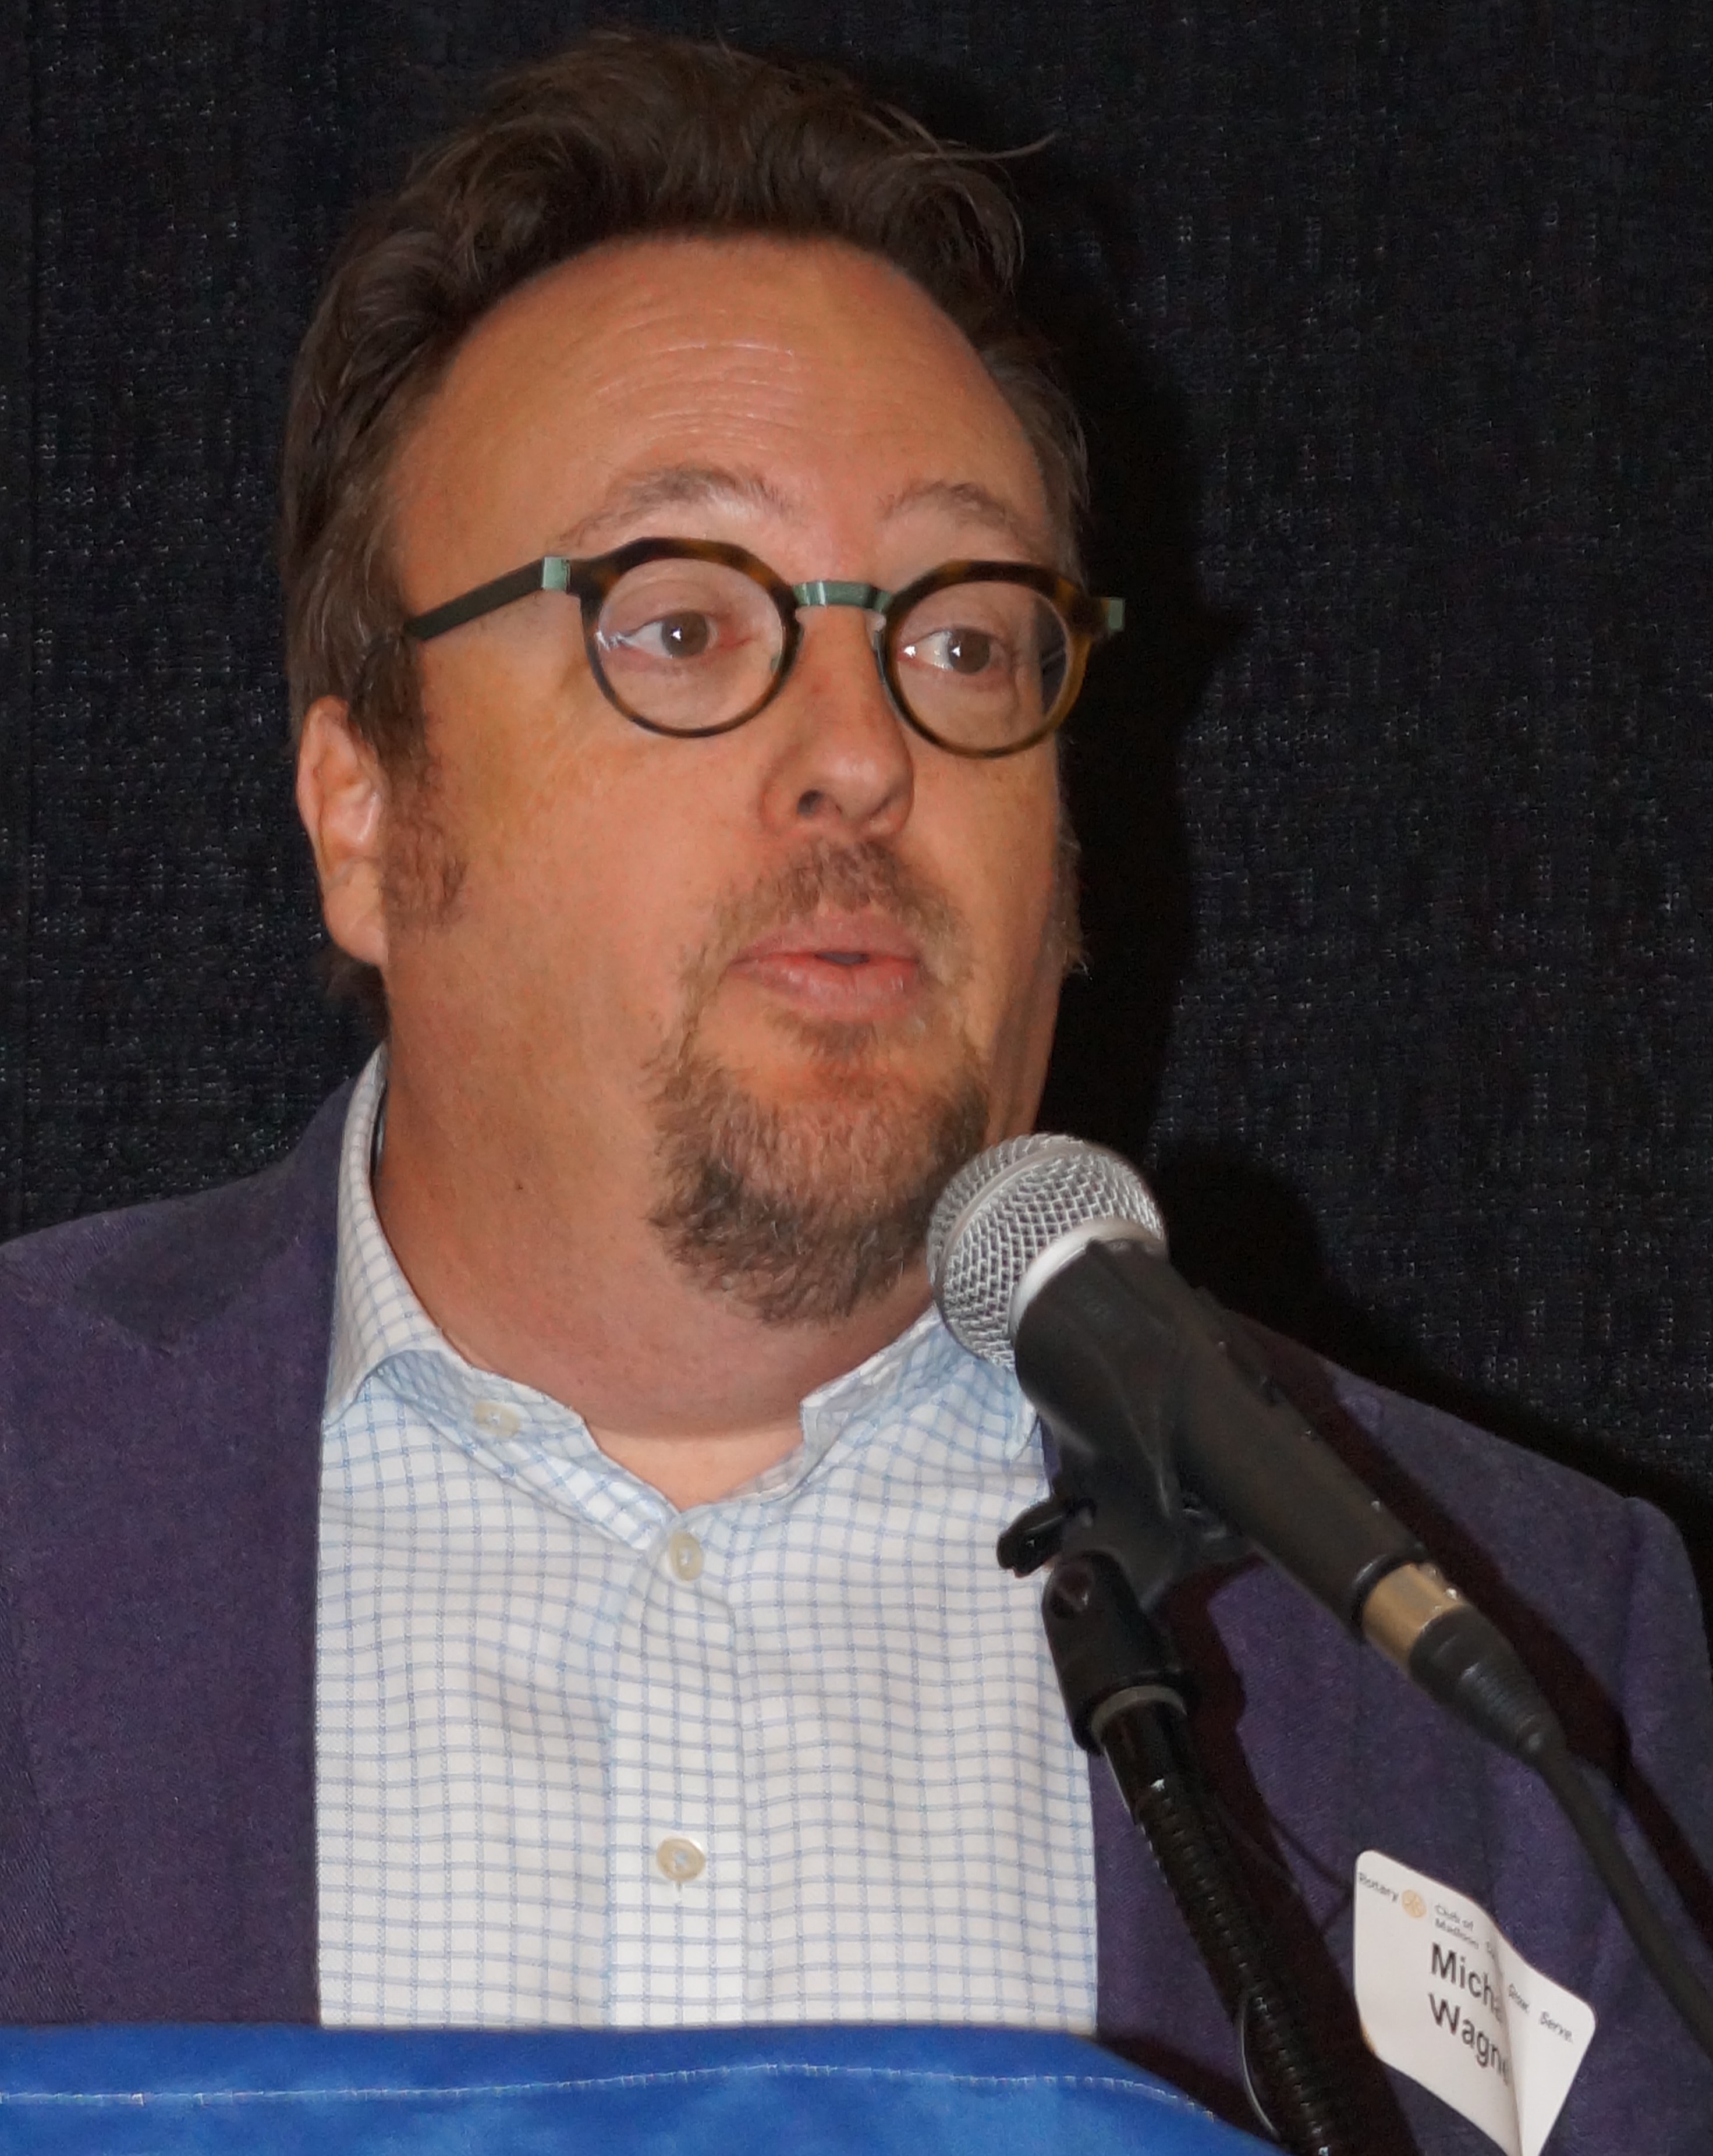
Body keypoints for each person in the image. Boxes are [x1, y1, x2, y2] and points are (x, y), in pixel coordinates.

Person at [0, 30, 1708, 2151]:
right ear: (363, 811)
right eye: (681, 625)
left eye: (965, 640)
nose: (863, 753)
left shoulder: (1503, 1648)